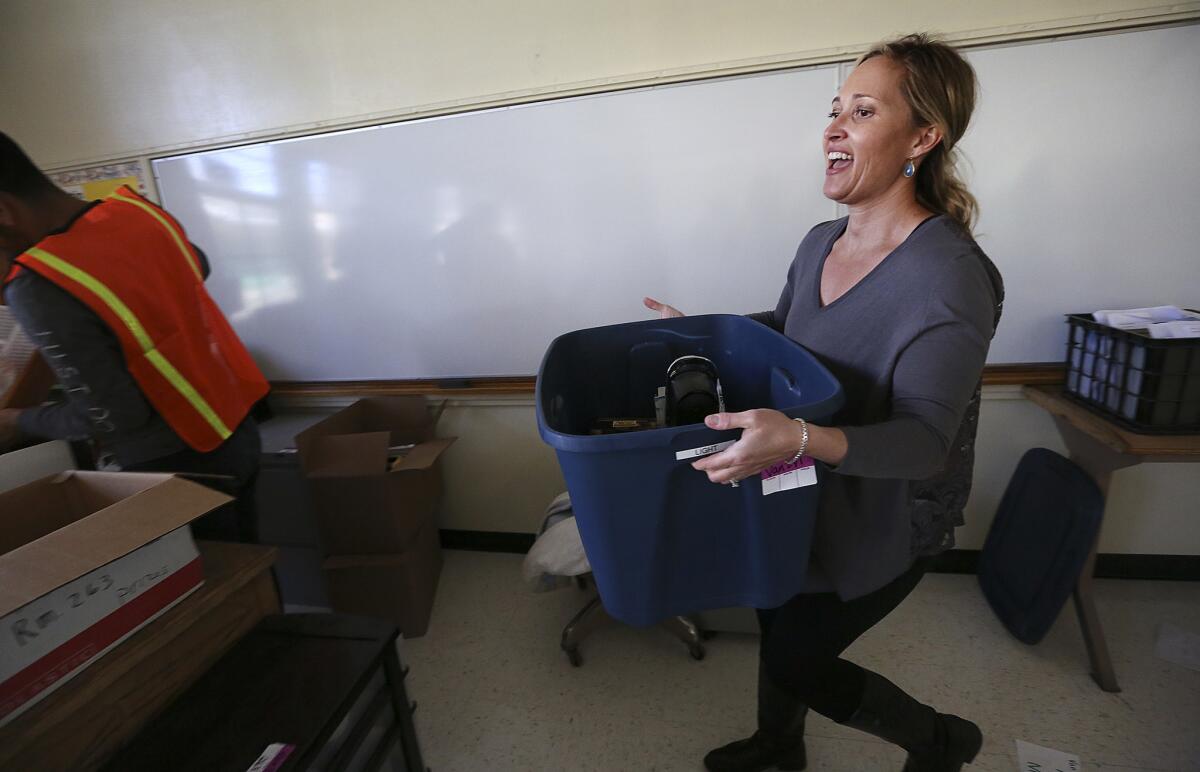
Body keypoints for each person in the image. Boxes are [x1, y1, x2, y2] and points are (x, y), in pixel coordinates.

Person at [645, 34, 1004, 771]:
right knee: (775, 618)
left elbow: (923, 442)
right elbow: (790, 334)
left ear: (924, 136)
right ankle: (779, 749)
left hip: (886, 514)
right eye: (834, 109)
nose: (833, 127)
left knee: (802, 656)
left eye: (863, 111)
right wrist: (710, 337)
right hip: (798, 487)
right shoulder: (819, 242)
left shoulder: (950, 278)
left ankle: (942, 743)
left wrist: (803, 439)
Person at [0, 132, 269, 541]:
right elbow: (199, 264)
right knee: (251, 575)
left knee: (211, 593)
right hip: (234, 430)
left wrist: (18, 421)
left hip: (175, 466)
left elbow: (111, 416)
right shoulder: (139, 214)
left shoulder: (38, 284)